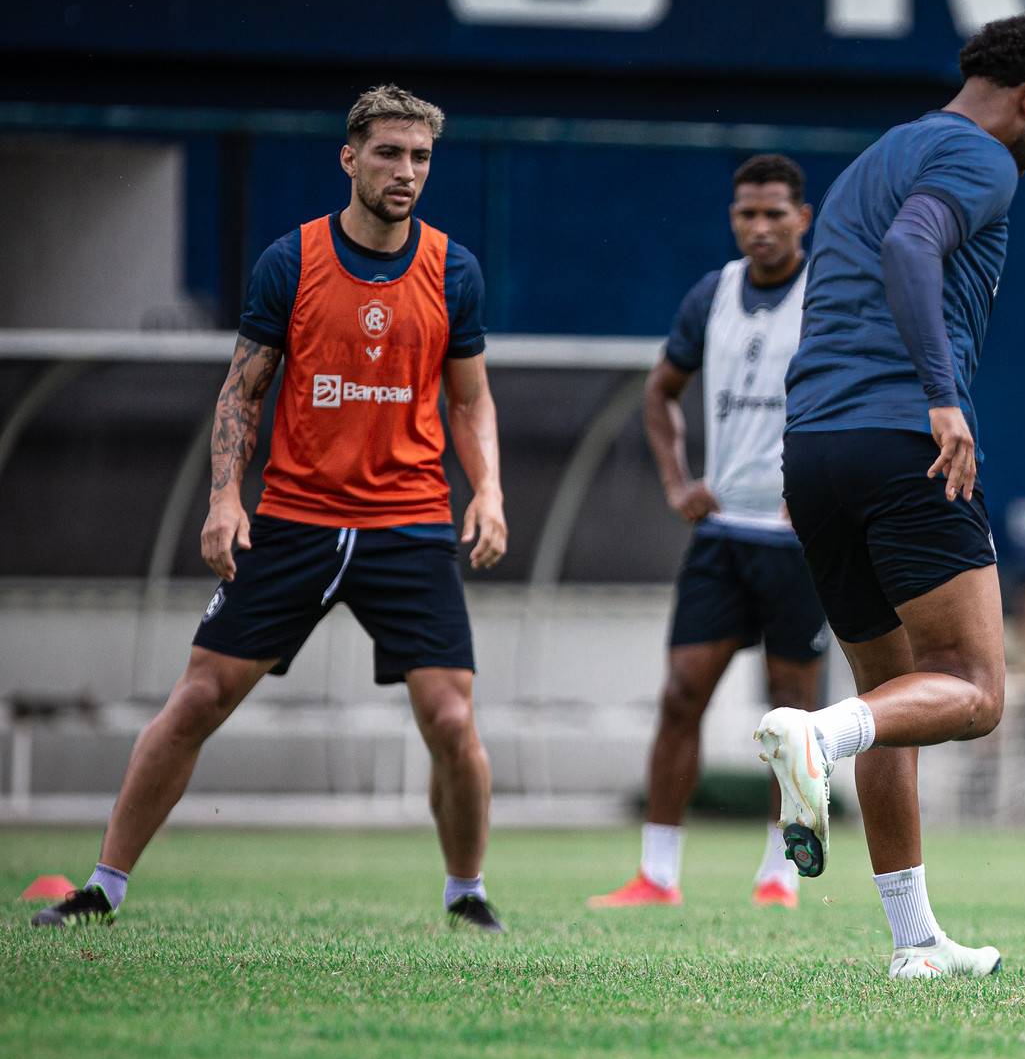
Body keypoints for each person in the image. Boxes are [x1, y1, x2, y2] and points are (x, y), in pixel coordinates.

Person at [33, 86, 509, 932]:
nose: (406, 172)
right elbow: (242, 392)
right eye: (390, 153)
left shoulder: (454, 269)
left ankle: (466, 894)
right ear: (350, 157)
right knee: (199, 698)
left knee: (450, 716)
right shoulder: (291, 261)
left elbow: (470, 401)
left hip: (410, 524)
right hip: (295, 519)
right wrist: (224, 497)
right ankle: (102, 886)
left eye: (421, 157)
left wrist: (492, 494)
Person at [751, 13, 1025, 979]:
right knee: (975, 691)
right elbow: (911, 247)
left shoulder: (878, 155)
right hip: (904, 441)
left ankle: (916, 941)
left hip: (814, 451)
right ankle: (816, 735)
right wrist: (943, 397)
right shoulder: (979, 156)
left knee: (892, 694)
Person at [589, 154, 827, 912]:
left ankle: (778, 874)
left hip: (800, 545)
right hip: (722, 536)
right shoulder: (712, 294)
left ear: (803, 218)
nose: (760, 228)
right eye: (746, 214)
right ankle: (657, 874)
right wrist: (675, 480)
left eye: (775, 214)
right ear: (733, 219)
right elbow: (661, 392)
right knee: (681, 694)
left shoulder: (828, 295)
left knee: (791, 716)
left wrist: (825, 488)